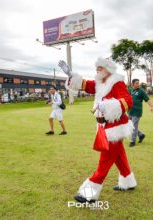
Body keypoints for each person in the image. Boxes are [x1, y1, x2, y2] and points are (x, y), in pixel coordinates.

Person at [59, 58, 137, 203]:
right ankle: (128, 181)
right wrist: (71, 75)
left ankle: (88, 193)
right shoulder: (100, 82)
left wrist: (107, 106)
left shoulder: (117, 82)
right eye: (97, 68)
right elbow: (85, 85)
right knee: (119, 156)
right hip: (104, 126)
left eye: (100, 68)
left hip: (114, 127)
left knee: (104, 161)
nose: (97, 70)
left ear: (108, 69)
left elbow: (128, 101)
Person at [128, 79, 153, 147]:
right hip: (129, 111)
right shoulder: (130, 90)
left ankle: (133, 141)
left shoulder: (141, 91)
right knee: (129, 126)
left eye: (138, 83)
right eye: (136, 83)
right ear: (133, 84)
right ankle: (141, 135)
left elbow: (147, 99)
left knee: (134, 126)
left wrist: (152, 107)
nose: (138, 84)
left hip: (137, 111)